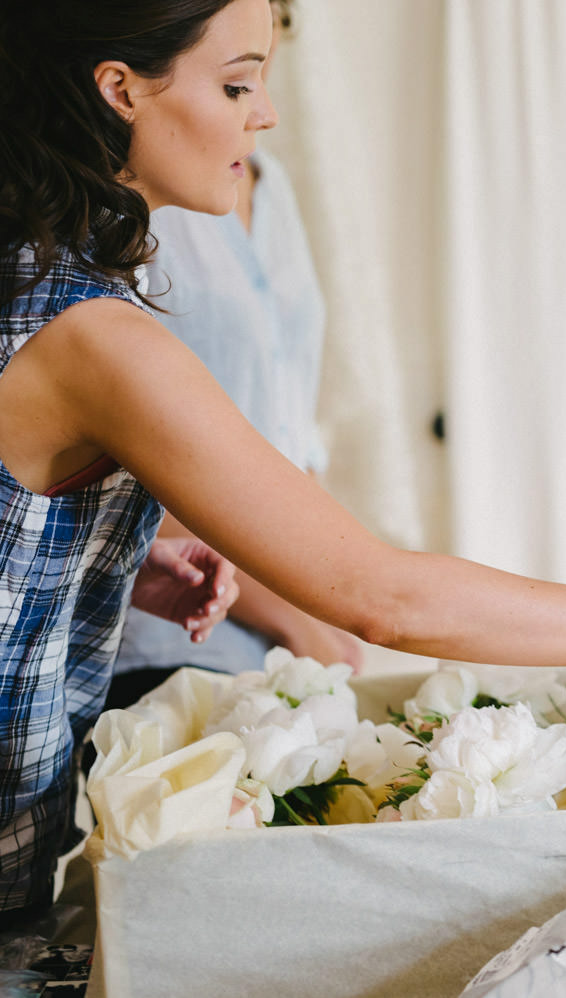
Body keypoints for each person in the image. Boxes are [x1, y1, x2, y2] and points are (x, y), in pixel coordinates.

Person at [0, 0, 566, 928]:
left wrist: (94, 549)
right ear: (118, 90)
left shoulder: (30, 270)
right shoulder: (96, 336)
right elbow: (380, 596)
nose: (264, 114)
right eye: (236, 83)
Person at [109, 0, 363, 711]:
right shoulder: (126, 216)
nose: (265, 112)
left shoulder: (268, 190)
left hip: (288, 634)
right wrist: (294, 612)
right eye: (236, 85)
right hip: (172, 641)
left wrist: (325, 601)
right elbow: (127, 465)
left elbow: (286, 422)